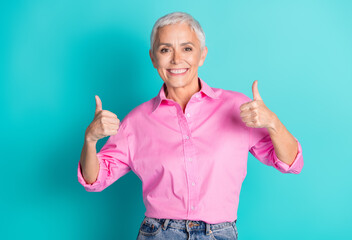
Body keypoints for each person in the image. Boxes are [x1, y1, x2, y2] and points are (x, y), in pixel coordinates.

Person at [78, 11, 304, 240]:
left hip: (220, 233)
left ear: (202, 55)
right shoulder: (137, 121)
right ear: (153, 58)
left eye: (187, 48)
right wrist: (90, 140)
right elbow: (94, 180)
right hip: (158, 233)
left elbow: (291, 162)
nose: (176, 59)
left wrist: (273, 123)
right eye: (165, 49)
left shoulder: (238, 107)